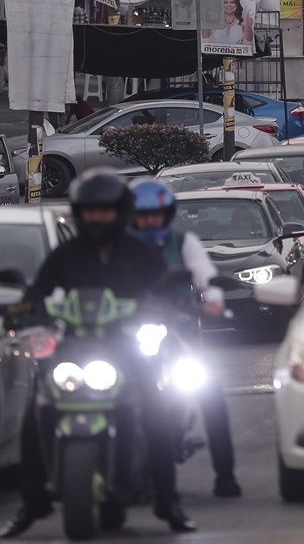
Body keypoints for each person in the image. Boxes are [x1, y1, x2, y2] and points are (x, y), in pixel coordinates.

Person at [0, 171, 195, 537]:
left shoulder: (142, 253)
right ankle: (31, 502)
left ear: (120, 212)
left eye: (105, 211)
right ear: (79, 212)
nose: (98, 218)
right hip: (73, 347)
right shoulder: (66, 253)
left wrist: (166, 303)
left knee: (156, 413)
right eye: (90, 212)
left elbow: (165, 289)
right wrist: (27, 308)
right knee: (36, 412)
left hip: (126, 348)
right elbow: (38, 291)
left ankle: (168, 502)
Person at [128, 179, 242, 499]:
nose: (150, 222)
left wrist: (214, 299)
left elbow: (205, 273)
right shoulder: (120, 247)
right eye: (143, 215)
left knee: (209, 392)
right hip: (129, 332)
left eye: (156, 215)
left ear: (167, 214)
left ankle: (226, 475)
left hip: (177, 330)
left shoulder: (182, 242)